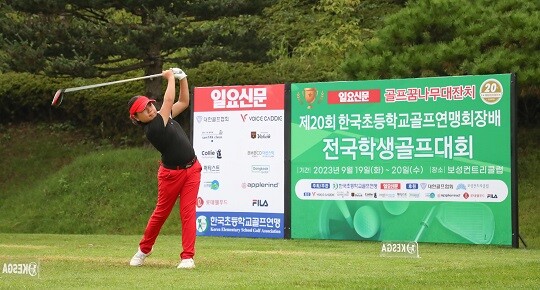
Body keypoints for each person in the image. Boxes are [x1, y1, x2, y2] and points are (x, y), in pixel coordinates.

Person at [127, 68, 201, 269]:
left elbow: (183, 102)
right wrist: (170, 79)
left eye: (149, 104)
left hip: (192, 169)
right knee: (161, 213)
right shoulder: (153, 128)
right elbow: (168, 101)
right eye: (144, 109)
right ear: (136, 118)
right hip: (171, 175)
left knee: (188, 213)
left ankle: (187, 257)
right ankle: (144, 249)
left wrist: (183, 78)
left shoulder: (162, 116)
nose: (150, 109)